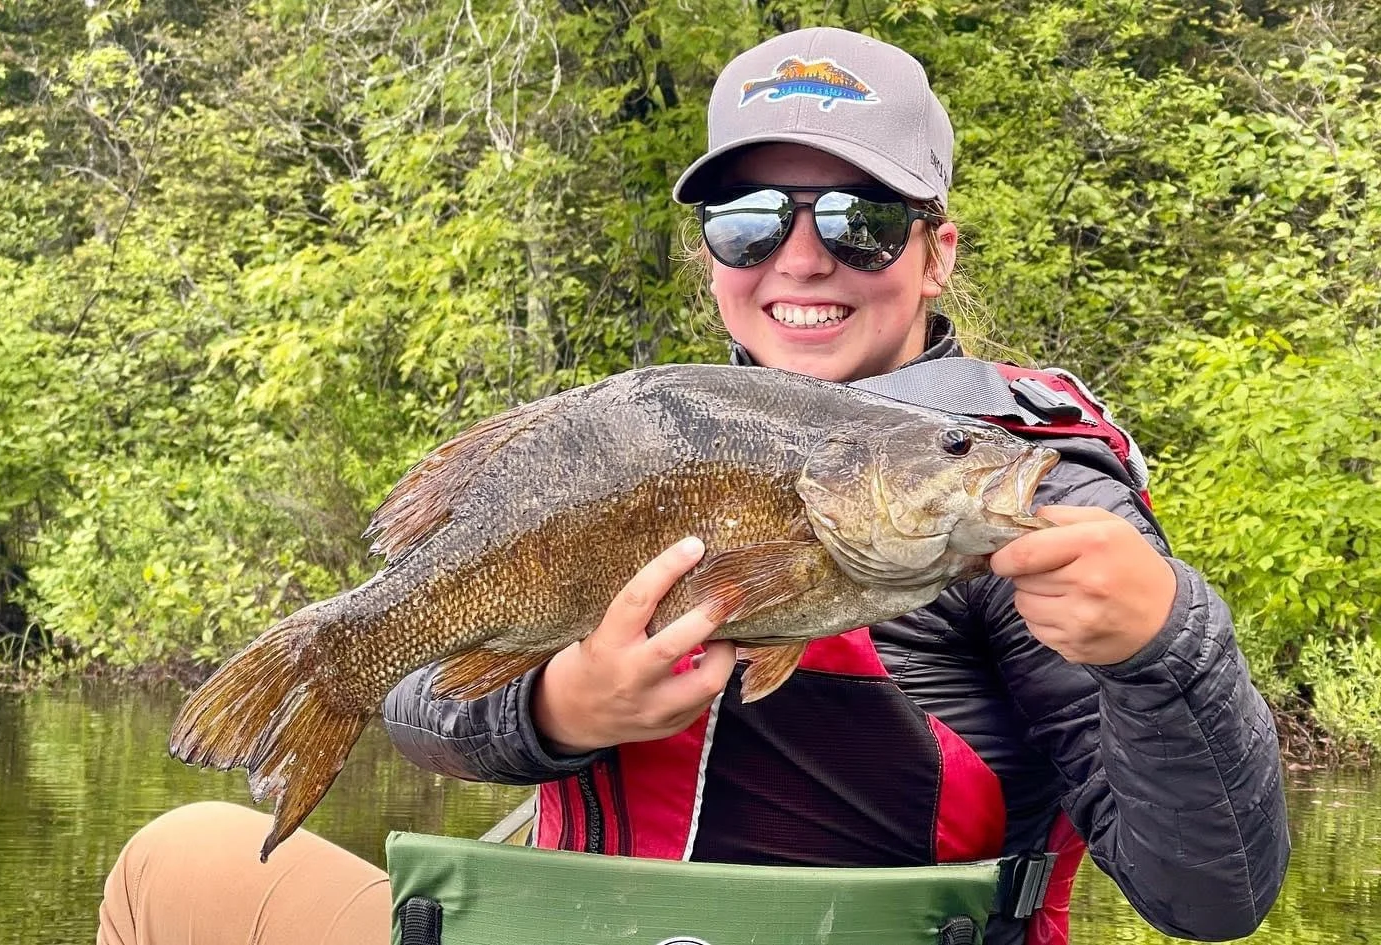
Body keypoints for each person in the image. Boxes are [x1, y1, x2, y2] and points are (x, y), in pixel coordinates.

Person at [97, 26, 1289, 945]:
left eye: (864, 220)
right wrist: (561, 711)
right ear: (712, 254)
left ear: (937, 252)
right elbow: (415, 678)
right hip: (561, 926)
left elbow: (1213, 895)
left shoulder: (1025, 496)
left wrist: (1163, 643)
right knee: (182, 857)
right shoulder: (633, 438)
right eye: (752, 220)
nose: (803, 256)